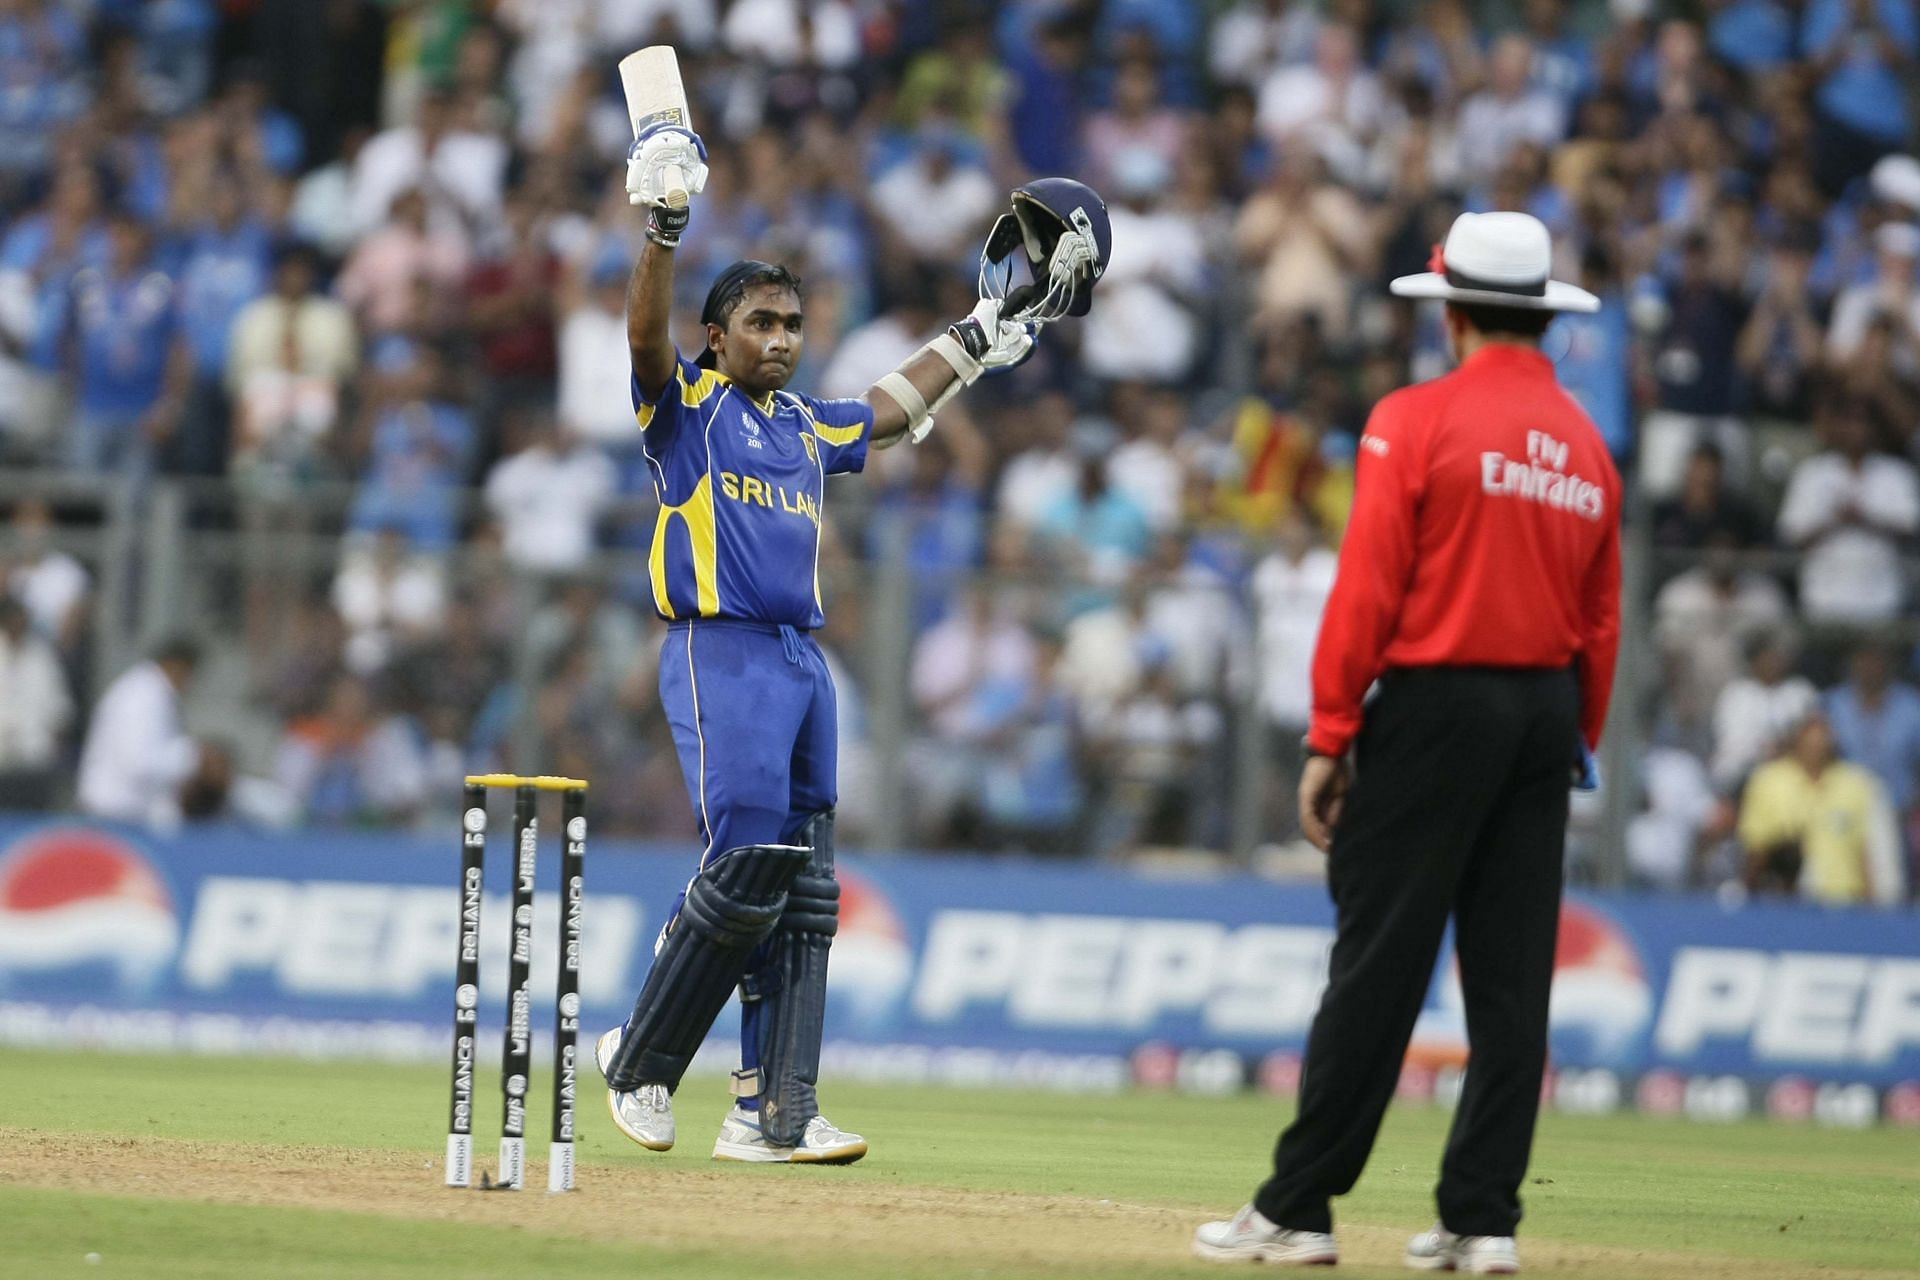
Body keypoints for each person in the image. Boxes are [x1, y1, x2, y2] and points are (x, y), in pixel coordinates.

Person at [593, 121, 1107, 1165]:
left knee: (807, 886)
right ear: (718, 337)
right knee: (744, 865)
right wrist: (664, 228)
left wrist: (978, 329)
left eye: (791, 322)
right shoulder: (687, 408)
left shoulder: (801, 426)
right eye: (759, 322)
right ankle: (639, 1061)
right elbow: (643, 338)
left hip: (798, 661)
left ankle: (774, 1110)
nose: (781, 337)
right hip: (720, 650)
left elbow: (886, 409)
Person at [1195, 212, 1621, 1273]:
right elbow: (1603, 621)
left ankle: (1298, 1206)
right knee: (1514, 981)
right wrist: (1575, 737)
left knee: (1378, 965)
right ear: (1539, 316)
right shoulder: (1585, 446)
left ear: (1454, 311)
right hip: (1543, 714)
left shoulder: (1414, 418)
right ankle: (1484, 1220)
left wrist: (1332, 729)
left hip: (1433, 706)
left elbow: (1369, 586)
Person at [75, 637, 205, 831]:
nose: (190, 684)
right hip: (115, 813)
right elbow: (139, 763)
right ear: (177, 665)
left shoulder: (148, 691)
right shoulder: (144, 697)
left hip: (124, 811)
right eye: (190, 674)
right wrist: (191, 757)